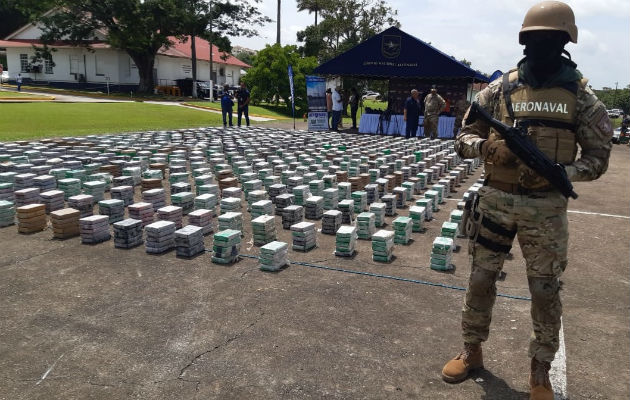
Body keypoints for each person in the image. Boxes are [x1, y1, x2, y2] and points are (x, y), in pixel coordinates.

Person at [441, 2, 612, 399]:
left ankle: (540, 369)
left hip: (546, 208)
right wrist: (485, 148)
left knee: (544, 288)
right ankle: (472, 349)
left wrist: (562, 173)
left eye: (549, 39)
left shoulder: (580, 95)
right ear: (524, 40)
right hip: (496, 200)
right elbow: (462, 136)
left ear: (565, 41)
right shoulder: (501, 88)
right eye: (533, 38)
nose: (540, 45)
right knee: (481, 278)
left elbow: (599, 157)